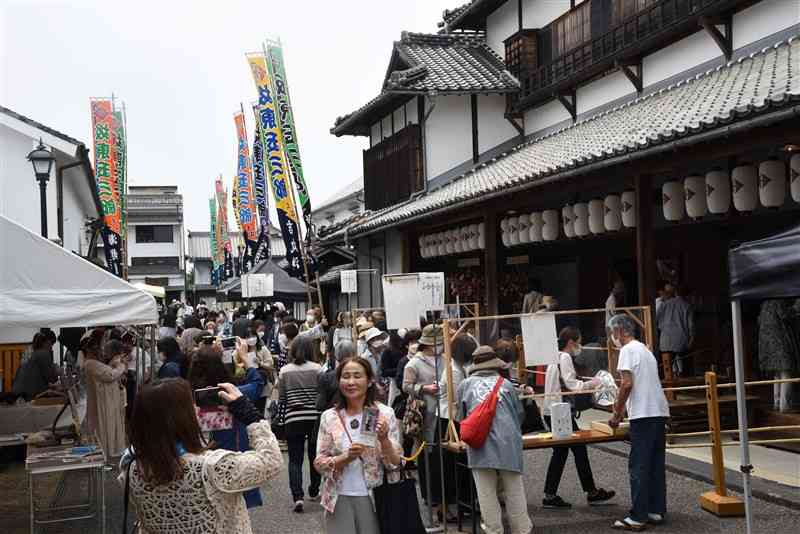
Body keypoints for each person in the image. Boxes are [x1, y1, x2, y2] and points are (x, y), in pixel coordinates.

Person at [121, 379, 282, 534]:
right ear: (181, 417)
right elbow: (271, 461)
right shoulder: (212, 468)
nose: (196, 408)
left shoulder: (132, 470)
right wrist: (248, 412)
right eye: (191, 405)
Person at [314, 356, 403, 534]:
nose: (351, 382)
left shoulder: (384, 413)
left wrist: (384, 440)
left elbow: (396, 463)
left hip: (375, 497)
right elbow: (319, 463)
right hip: (337, 498)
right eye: (345, 376)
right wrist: (345, 457)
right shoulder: (330, 417)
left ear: (370, 381)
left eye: (357, 376)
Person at [457, 346, 532, 534]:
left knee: (486, 493)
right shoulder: (505, 384)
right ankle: (521, 530)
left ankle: (493, 530)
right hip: (508, 443)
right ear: (495, 364)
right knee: (514, 490)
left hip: (479, 444)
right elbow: (519, 414)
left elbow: (461, 418)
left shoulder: (465, 385)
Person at [542, 326, 615, 508]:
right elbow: (572, 384)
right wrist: (595, 382)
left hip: (552, 409)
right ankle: (585, 493)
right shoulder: (565, 357)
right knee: (571, 450)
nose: (579, 346)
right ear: (571, 342)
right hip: (561, 411)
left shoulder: (555, 356)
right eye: (578, 342)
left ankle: (557, 494)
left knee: (567, 450)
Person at [608, 314, 670, 531]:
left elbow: (626, 384)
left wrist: (617, 413)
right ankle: (655, 509)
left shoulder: (627, 350)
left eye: (612, 333)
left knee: (639, 465)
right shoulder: (645, 349)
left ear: (619, 331)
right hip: (659, 410)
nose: (612, 337)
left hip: (643, 414)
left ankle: (638, 516)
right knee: (655, 463)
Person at [188, 339, 265, 508]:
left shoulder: (186, 398)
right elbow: (257, 384)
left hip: (200, 461)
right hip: (233, 459)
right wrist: (245, 357)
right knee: (237, 508)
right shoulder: (231, 394)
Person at [402, 324, 447, 517]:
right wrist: (424, 388)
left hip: (445, 410)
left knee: (443, 452)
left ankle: (445, 495)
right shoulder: (414, 363)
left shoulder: (445, 359)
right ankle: (430, 496)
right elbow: (406, 386)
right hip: (425, 412)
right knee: (426, 453)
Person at [277, 335, 323, 512]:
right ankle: (313, 490)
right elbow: (321, 394)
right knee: (314, 456)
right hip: (314, 418)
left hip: (292, 418)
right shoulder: (318, 369)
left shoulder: (285, 371)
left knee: (295, 459)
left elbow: (282, 398)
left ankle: (298, 497)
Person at [84, 339, 128, 459]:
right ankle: (107, 450)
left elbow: (109, 373)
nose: (102, 353)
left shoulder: (96, 363)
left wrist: (117, 366)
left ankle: (112, 449)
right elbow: (109, 375)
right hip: (103, 400)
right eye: (99, 349)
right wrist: (121, 366)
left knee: (112, 423)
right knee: (105, 424)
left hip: (109, 399)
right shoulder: (90, 363)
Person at [656, 283, 694, 377]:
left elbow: (657, 320)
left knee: (666, 370)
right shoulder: (687, 306)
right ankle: (684, 388)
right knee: (685, 369)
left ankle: (668, 389)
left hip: (665, 341)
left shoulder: (664, 304)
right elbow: (691, 326)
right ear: (687, 295)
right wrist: (692, 340)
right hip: (681, 341)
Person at [12, 330, 58, 400]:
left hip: (17, 392)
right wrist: (56, 370)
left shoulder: (29, 350)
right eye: (52, 344)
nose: (51, 348)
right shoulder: (43, 353)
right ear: (48, 342)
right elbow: (51, 378)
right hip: (30, 395)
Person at [318, 340, 357, 413]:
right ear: (354, 354)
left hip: (333, 419)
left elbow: (320, 405)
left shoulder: (326, 377)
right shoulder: (362, 377)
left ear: (336, 356)